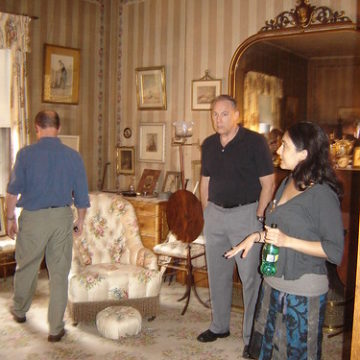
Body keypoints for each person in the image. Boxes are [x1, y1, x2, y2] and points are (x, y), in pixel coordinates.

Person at [225, 121, 344, 359]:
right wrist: (255, 237)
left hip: (303, 291)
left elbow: (334, 251)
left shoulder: (322, 195)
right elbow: (276, 229)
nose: (278, 151)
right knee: (268, 352)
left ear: (304, 154)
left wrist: (287, 241)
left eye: (285, 146)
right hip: (272, 284)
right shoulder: (287, 182)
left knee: (298, 354)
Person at [197, 94, 275, 359]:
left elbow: (268, 184)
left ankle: (250, 339)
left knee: (250, 279)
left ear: (237, 115)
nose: (218, 119)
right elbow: (204, 182)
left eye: (224, 114)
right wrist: (207, 212)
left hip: (246, 216)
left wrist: (258, 218)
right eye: (215, 114)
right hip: (216, 215)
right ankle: (219, 327)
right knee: (217, 275)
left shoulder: (255, 142)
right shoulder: (208, 144)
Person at [5, 110, 90, 342]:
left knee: (26, 267)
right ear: (59, 128)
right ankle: (55, 328)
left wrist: (9, 219)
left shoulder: (25, 155)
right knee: (59, 273)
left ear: (37, 127)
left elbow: (12, 191)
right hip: (62, 217)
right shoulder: (73, 156)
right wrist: (80, 220)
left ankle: (20, 311)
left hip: (33, 218)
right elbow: (82, 195)